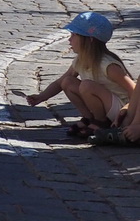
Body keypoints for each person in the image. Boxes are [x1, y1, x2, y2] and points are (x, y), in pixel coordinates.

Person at [25, 12, 136, 143]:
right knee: (68, 82)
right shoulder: (80, 60)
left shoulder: (108, 65)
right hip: (105, 106)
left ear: (89, 39)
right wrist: (42, 97)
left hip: (121, 111)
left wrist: (127, 113)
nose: (69, 40)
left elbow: (134, 91)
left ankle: (100, 122)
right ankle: (89, 118)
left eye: (74, 35)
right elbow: (61, 82)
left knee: (87, 85)